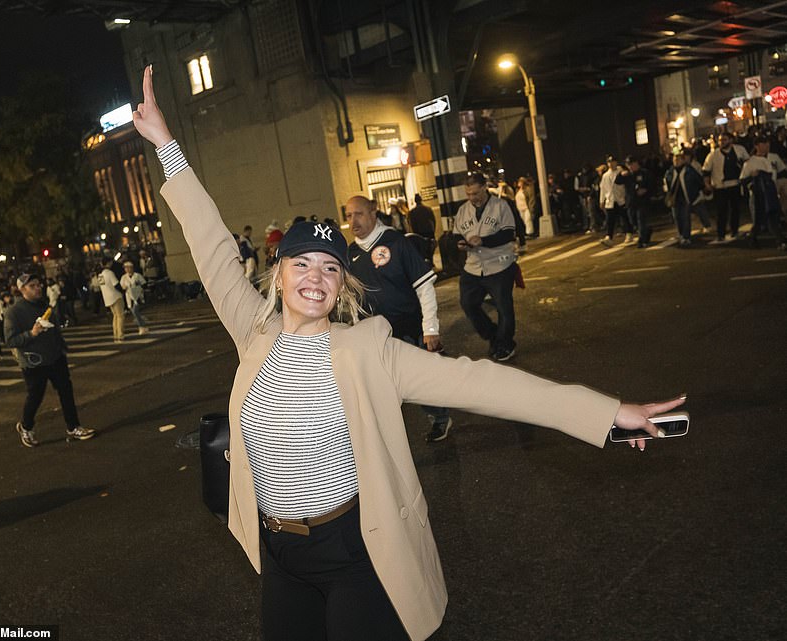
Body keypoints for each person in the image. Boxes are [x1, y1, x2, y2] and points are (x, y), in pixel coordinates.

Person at [133, 65, 684, 641]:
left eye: (330, 269)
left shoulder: (369, 350)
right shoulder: (253, 331)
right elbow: (210, 242)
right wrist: (167, 146)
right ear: (277, 277)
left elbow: (483, 385)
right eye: (301, 264)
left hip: (353, 552)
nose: (315, 278)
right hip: (278, 554)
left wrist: (606, 413)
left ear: (343, 287)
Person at [345, 195, 453, 443]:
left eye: (358, 214)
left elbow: (424, 287)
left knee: (416, 383)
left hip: (407, 328)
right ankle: (383, 439)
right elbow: (351, 297)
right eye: (349, 216)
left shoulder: (397, 243)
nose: (353, 221)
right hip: (372, 336)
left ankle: (439, 417)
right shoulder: (350, 254)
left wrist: (431, 328)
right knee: (379, 387)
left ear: (373, 212)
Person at [4, 273, 96, 447]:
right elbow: (10, 340)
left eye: (39, 284)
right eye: (32, 286)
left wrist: (62, 347)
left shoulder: (44, 305)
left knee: (66, 392)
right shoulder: (14, 312)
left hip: (55, 357)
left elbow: (55, 330)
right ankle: (26, 426)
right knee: (36, 396)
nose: (38, 288)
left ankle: (73, 426)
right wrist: (31, 333)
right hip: (33, 362)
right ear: (22, 289)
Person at [452, 172, 519, 362]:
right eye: (468, 194)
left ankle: (505, 344)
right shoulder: (463, 210)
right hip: (473, 266)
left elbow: (508, 234)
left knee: (503, 307)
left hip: (499, 264)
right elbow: (456, 234)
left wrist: (483, 240)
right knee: (468, 303)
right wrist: (459, 243)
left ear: (484, 188)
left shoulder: (501, 206)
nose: (472, 198)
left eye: (475, 193)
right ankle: (493, 335)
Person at [703, 132, 750, 243]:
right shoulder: (713, 155)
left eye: (724, 139)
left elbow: (748, 163)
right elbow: (706, 171)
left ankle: (734, 230)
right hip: (720, 186)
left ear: (730, 140)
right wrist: (707, 184)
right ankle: (721, 233)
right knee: (721, 211)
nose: (722, 142)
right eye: (720, 140)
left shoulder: (739, 150)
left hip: (735, 184)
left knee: (735, 209)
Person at [616, 155, 655, 248]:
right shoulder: (627, 175)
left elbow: (652, 185)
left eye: (632, 164)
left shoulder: (644, 173)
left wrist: (645, 190)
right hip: (631, 201)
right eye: (628, 165)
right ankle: (646, 231)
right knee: (632, 220)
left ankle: (641, 240)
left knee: (641, 219)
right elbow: (617, 181)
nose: (630, 167)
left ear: (636, 163)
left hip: (643, 201)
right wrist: (621, 174)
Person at [98, 259, 125, 343]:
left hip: (107, 298)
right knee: (120, 316)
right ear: (108, 263)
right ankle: (120, 335)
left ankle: (116, 335)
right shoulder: (110, 273)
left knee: (115, 316)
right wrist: (123, 291)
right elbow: (116, 285)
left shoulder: (100, 275)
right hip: (115, 296)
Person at [119, 260, 149, 335]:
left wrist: (138, 286)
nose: (127, 269)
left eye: (129, 268)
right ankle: (143, 325)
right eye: (126, 268)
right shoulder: (123, 277)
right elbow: (121, 287)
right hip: (129, 296)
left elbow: (144, 284)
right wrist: (124, 287)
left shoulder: (137, 275)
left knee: (135, 311)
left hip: (138, 295)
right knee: (135, 312)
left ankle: (141, 327)